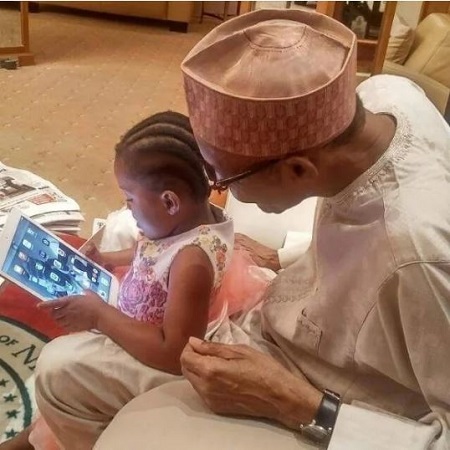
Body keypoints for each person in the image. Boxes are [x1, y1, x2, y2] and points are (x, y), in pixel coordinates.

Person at [93, 8, 450, 450]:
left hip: (331, 402)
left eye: (223, 177)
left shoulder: (417, 259)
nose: (215, 188)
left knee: (73, 381)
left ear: (298, 169)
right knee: (72, 368)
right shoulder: (388, 95)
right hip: (276, 326)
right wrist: (286, 255)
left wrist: (297, 404)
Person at [0, 110, 235, 450]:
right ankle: (36, 436)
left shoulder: (192, 263)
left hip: (160, 361)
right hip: (151, 318)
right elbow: (151, 250)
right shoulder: (187, 222)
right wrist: (110, 259)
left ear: (170, 202)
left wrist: (100, 317)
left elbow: (174, 354)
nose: (128, 209)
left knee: (62, 364)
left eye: (129, 199)